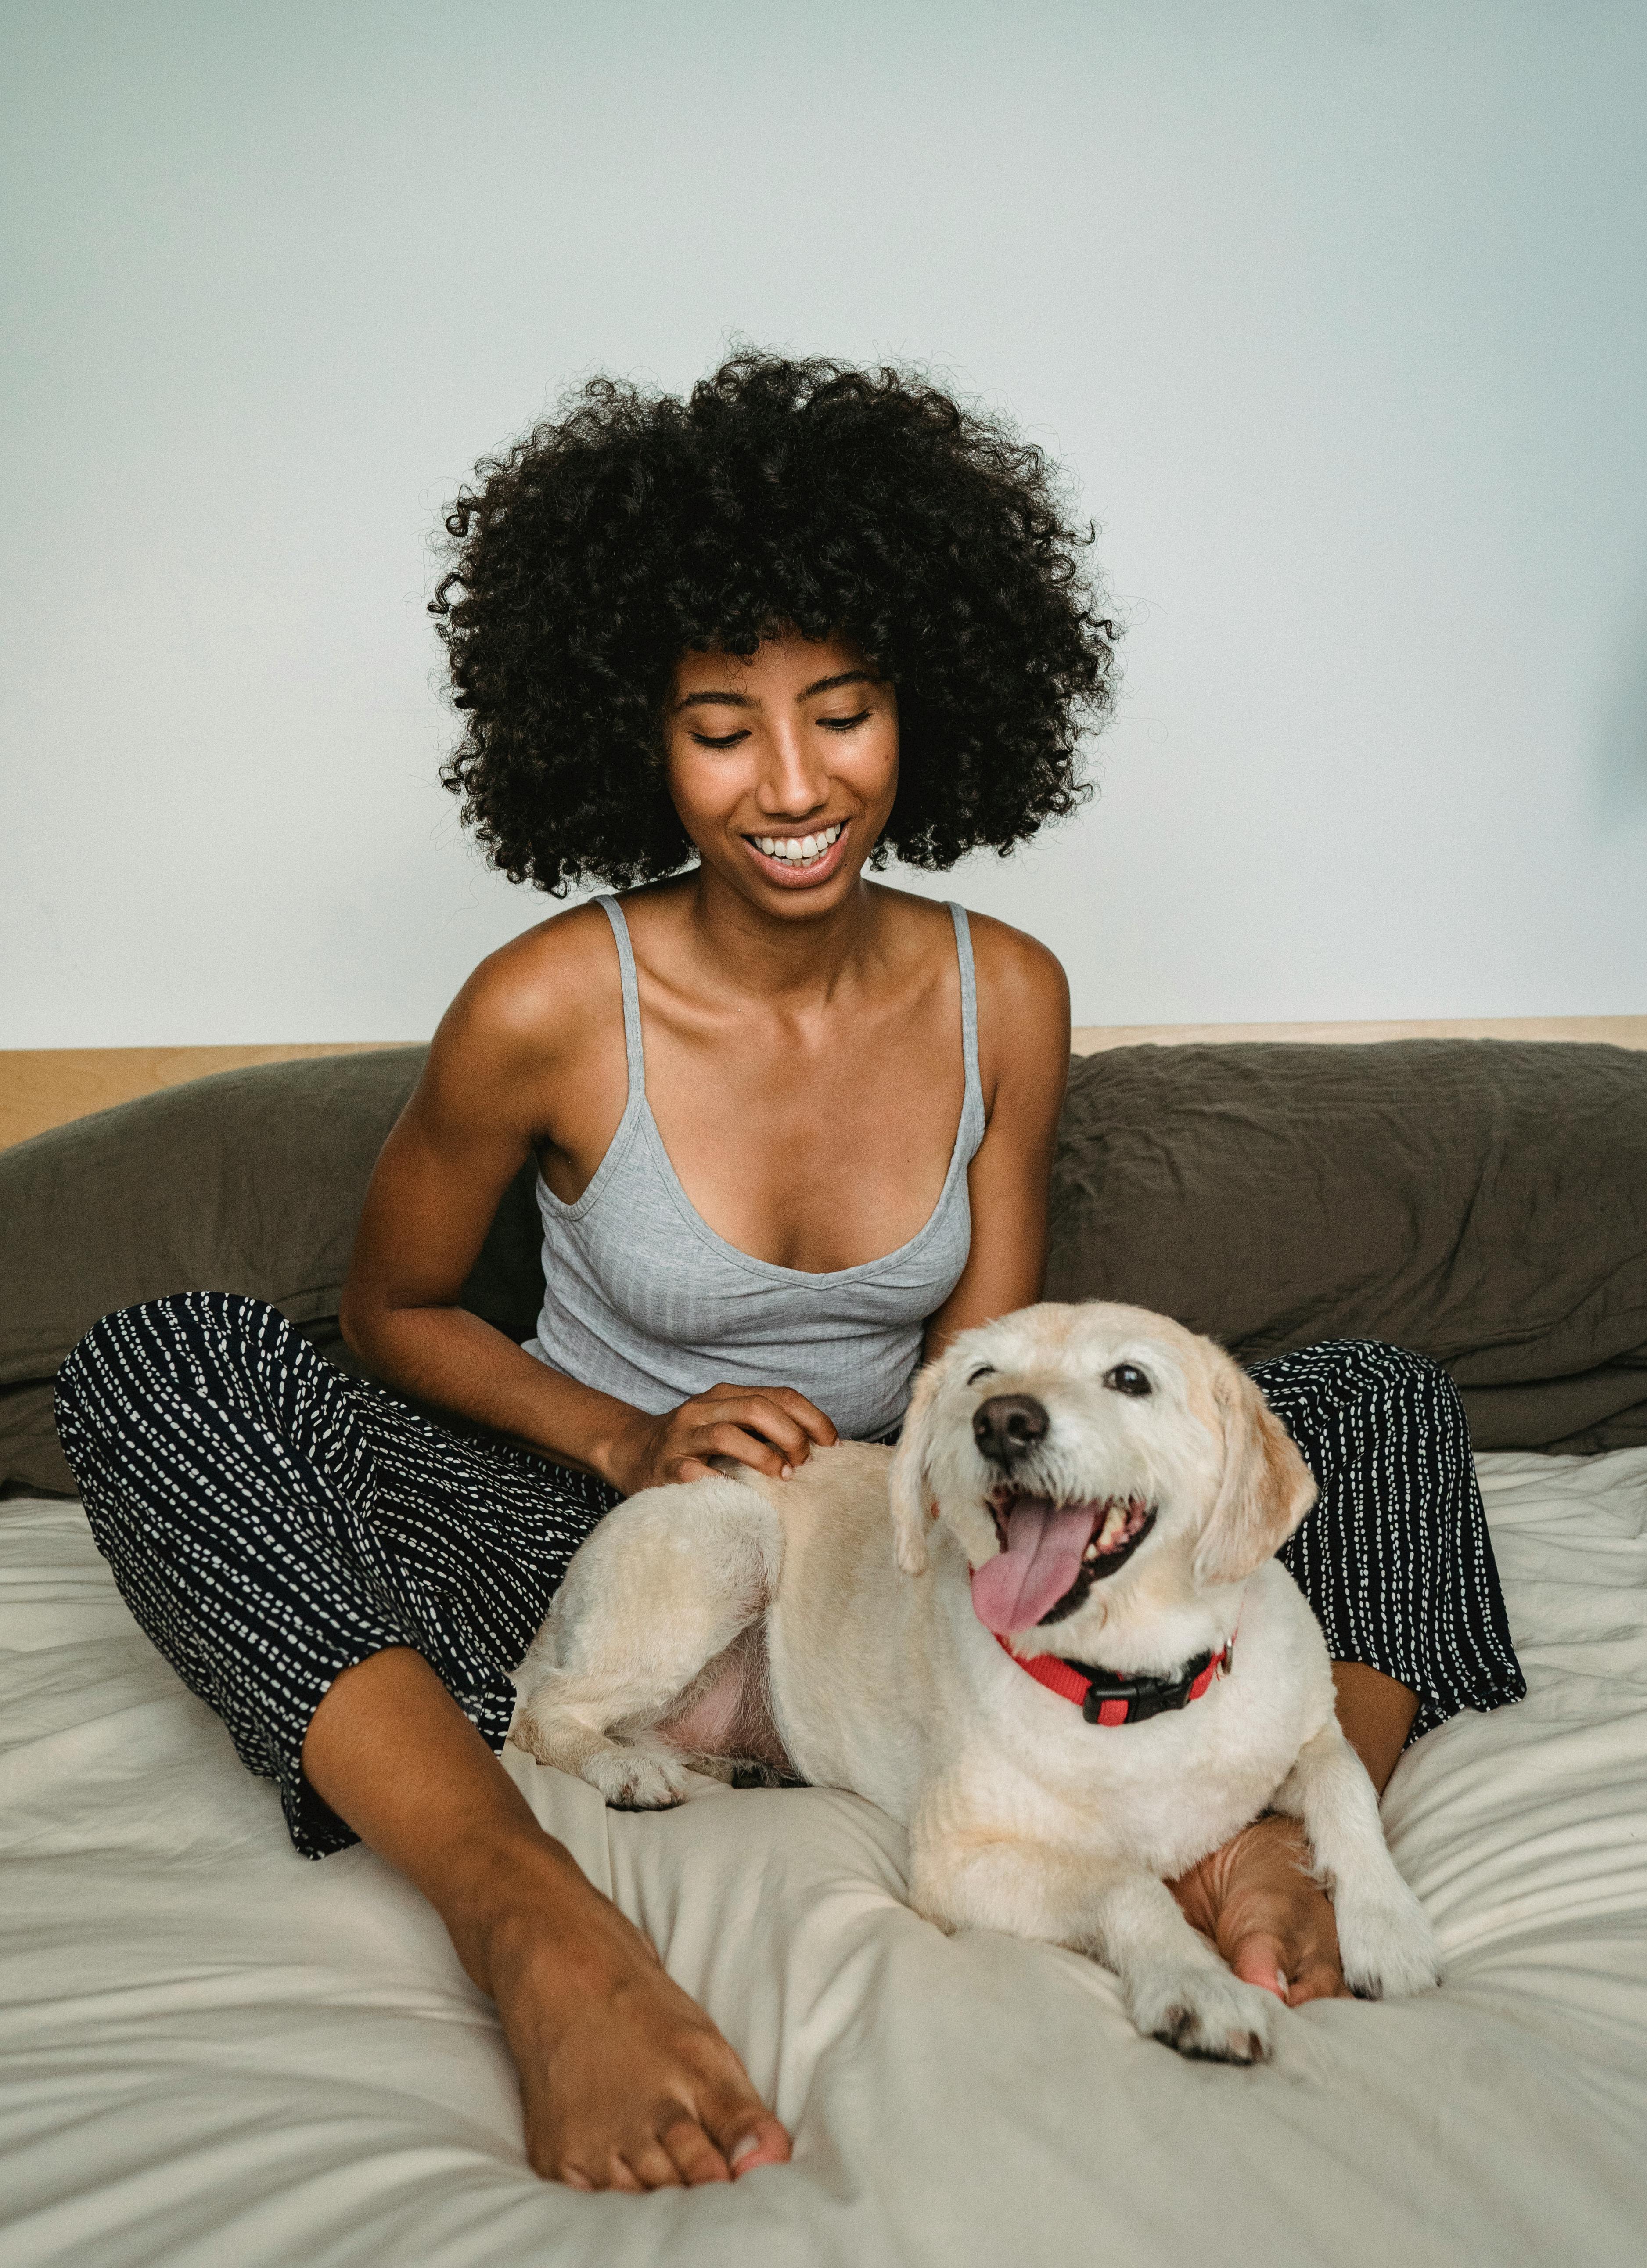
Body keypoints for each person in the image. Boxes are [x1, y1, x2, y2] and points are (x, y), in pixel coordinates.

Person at [54, 353, 1524, 2195]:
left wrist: (911, 1500)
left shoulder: (1010, 992)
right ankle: (530, 1918)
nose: (793, 784)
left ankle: (1278, 1837)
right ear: (628, 736)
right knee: (166, 1359)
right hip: (584, 1509)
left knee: (1375, 1394)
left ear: (924, 706)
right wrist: (620, 1438)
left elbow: (995, 1363)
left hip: (896, 1532)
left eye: (842, 711)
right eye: (717, 725)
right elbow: (388, 1311)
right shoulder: (541, 1003)